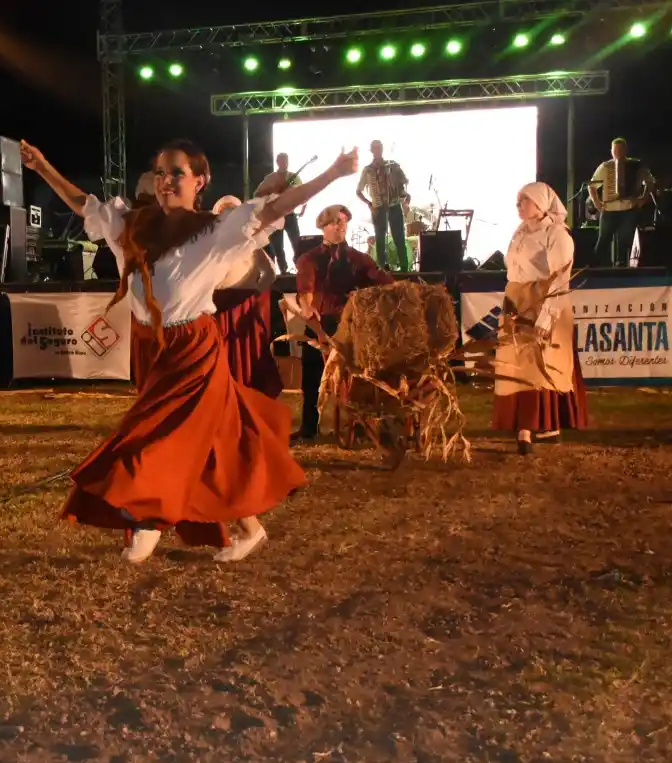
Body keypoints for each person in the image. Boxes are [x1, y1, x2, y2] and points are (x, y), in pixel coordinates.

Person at [21, 136, 358, 564]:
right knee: (210, 442)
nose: (166, 181)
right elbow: (82, 204)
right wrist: (44, 167)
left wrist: (331, 174)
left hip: (193, 349)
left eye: (177, 173)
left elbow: (275, 208)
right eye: (161, 172)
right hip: (150, 348)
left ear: (201, 180)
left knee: (158, 435)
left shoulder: (216, 230)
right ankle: (248, 528)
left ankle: (147, 520)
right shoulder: (131, 225)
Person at [492, 182, 589, 454]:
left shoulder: (557, 235)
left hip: (544, 301)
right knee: (515, 366)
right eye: (518, 201)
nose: (519, 206)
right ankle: (532, 425)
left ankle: (533, 427)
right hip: (517, 301)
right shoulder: (520, 232)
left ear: (540, 204)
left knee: (541, 366)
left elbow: (560, 278)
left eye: (524, 201)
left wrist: (545, 319)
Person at [293, 204, 394, 441]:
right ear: (323, 226)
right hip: (319, 324)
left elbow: (380, 280)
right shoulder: (310, 258)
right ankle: (309, 427)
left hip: (351, 324)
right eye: (336, 221)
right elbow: (305, 288)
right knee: (313, 376)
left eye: (344, 221)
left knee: (358, 376)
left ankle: (358, 424)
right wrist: (307, 307)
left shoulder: (358, 258)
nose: (341, 226)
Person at [210, 194, 283, 399]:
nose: (227, 215)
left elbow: (270, 272)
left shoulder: (251, 242)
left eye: (232, 212)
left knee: (247, 353)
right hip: (218, 307)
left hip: (243, 307)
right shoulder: (209, 244)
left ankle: (249, 397)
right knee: (220, 353)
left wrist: (254, 295)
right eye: (223, 211)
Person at [588, 137, 654, 268]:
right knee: (603, 240)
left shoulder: (636, 165)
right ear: (611, 151)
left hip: (628, 209)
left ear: (626, 150)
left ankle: (621, 267)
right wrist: (597, 202)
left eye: (620, 149)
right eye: (615, 150)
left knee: (624, 241)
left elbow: (650, 182)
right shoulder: (605, 166)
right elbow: (592, 186)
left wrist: (643, 198)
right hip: (609, 209)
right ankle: (595, 267)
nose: (617, 152)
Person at [356, 140, 409, 271]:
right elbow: (358, 191)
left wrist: (404, 196)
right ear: (371, 151)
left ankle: (405, 269)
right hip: (378, 208)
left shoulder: (392, 166)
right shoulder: (368, 170)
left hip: (394, 206)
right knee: (380, 241)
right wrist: (369, 204)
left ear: (382, 149)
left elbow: (403, 184)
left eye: (379, 148)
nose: (377, 151)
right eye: (375, 148)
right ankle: (381, 270)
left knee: (399, 238)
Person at [254, 152, 307, 273]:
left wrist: (303, 208)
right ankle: (283, 271)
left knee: (297, 243)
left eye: (286, 161)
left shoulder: (294, 177)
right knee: (278, 246)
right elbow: (257, 194)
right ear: (277, 162)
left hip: (290, 215)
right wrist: (272, 190)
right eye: (282, 161)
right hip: (275, 216)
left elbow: (304, 193)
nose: (285, 163)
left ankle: (301, 269)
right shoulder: (270, 178)